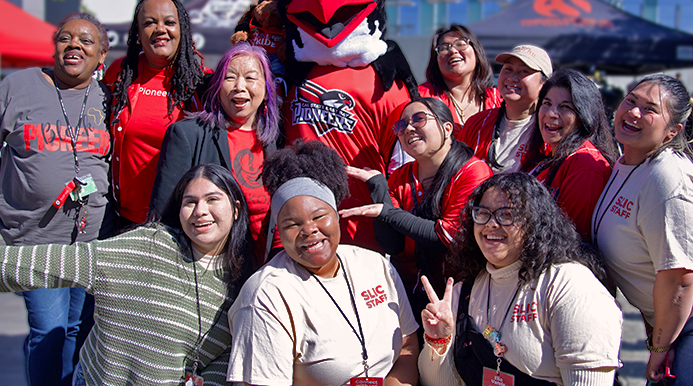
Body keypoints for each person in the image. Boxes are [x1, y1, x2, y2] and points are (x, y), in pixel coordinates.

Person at [0, 164, 255, 386]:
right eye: (190, 202)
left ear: (236, 208)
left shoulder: (242, 284)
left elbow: (225, 355)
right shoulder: (146, 246)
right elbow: (49, 263)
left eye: (212, 199)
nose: (200, 211)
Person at [0, 13, 112, 386]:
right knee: (47, 330)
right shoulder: (19, 86)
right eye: (65, 38)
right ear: (54, 46)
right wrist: (9, 184)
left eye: (85, 41)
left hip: (93, 242)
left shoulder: (108, 97)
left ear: (101, 55)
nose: (74, 46)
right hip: (35, 239)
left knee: (77, 331)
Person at [227, 140, 420, 386]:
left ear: (336, 215)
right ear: (279, 231)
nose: (309, 230)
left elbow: (406, 344)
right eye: (292, 224)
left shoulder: (376, 266)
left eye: (319, 216)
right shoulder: (267, 296)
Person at [593, 74, 693, 385]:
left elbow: (680, 281)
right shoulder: (628, 163)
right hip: (681, 319)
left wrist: (659, 346)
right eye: (631, 101)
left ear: (673, 131)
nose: (633, 112)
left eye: (649, 109)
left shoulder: (668, 179)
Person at [418, 173, 622, 386]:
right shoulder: (463, 292)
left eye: (506, 215)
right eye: (483, 213)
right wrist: (438, 340)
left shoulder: (570, 287)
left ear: (534, 221)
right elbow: (438, 383)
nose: (491, 224)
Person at [341, 98, 493, 318]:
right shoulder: (400, 177)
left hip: (464, 300)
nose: (408, 128)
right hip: (414, 299)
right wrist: (379, 189)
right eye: (401, 125)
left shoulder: (473, 171)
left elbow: (448, 238)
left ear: (447, 128)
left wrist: (389, 213)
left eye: (419, 119)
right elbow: (392, 245)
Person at [151, 42, 281, 262]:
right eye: (230, 77)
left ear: (267, 91)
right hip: (207, 270)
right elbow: (163, 219)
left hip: (264, 268)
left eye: (250, 78)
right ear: (218, 87)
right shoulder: (186, 135)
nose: (240, 86)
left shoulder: (275, 141)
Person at [103, 0, 207, 227]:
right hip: (122, 217)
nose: (161, 29)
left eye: (170, 22)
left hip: (178, 219)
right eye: (150, 23)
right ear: (138, 34)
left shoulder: (200, 82)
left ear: (183, 31)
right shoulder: (120, 72)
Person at [522, 68, 618, 241]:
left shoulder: (586, 164)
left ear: (584, 114)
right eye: (547, 103)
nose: (551, 114)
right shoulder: (553, 154)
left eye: (565, 107)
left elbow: (572, 238)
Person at [458, 45, 551, 174]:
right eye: (508, 69)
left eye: (524, 71)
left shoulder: (551, 130)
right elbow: (456, 170)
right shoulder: (477, 123)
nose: (512, 78)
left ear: (544, 84)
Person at [420, 24, 501, 128]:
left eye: (460, 44)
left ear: (476, 52)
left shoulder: (499, 99)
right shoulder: (421, 97)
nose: (453, 51)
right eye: (444, 48)